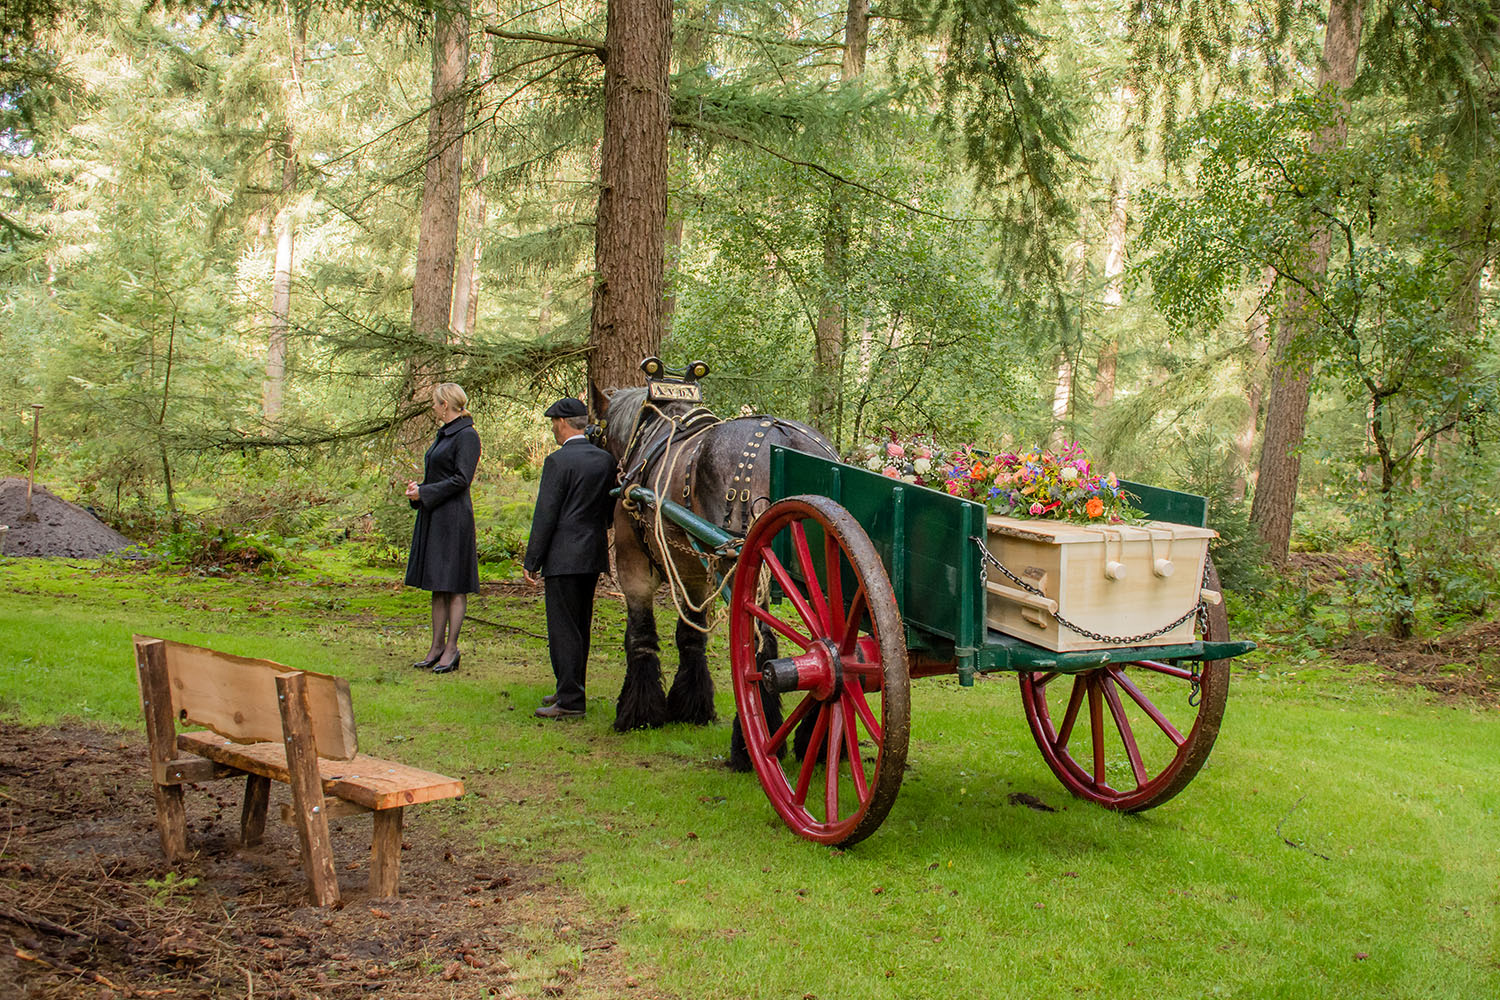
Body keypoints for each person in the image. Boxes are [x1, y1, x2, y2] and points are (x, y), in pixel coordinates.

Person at [523, 397, 617, 718]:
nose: (553, 429)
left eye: (553, 423)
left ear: (562, 423)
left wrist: (532, 560)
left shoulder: (558, 461)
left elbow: (545, 514)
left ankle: (570, 701)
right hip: (592, 553)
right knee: (580, 626)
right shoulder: (605, 460)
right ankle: (571, 687)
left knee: (562, 628)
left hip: (562, 555)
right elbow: (609, 511)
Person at [405, 382, 481, 675]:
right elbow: (439, 475)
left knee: (455, 584)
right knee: (438, 583)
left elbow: (462, 479)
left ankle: (451, 648)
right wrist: (419, 491)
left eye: (435, 403)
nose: (433, 408)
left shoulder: (467, 435)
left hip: (454, 519)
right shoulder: (444, 433)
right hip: (436, 515)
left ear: (445, 405)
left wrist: (425, 492)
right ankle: (436, 647)